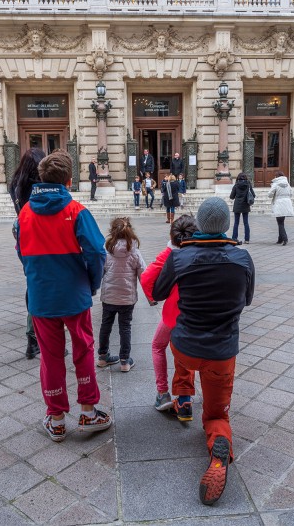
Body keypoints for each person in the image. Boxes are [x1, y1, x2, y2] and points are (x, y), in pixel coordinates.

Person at [153, 197, 255, 506]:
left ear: (199, 223)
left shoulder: (180, 257)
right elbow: (247, 299)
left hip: (185, 346)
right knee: (215, 413)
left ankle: (182, 396)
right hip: (221, 352)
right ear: (226, 225)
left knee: (181, 351)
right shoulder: (243, 258)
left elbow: (157, 292)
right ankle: (219, 443)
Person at [16, 150, 112, 442]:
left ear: (41, 179)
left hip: (42, 297)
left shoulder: (25, 213)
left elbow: (22, 254)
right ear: (69, 181)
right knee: (83, 350)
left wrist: (37, 280)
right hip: (74, 295)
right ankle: (87, 411)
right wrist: (92, 282)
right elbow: (97, 252)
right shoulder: (76, 211)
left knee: (50, 356)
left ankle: (56, 418)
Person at [141, 215, 197, 411]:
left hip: (173, 314)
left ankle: (162, 392)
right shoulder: (200, 253)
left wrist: (153, 297)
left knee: (158, 345)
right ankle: (184, 399)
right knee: (185, 351)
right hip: (195, 313)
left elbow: (147, 277)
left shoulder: (169, 254)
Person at [10, 147, 46, 359]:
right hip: (39, 237)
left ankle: (35, 334)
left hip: (22, 237)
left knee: (32, 281)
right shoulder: (38, 186)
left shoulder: (15, 183)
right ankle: (34, 337)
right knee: (41, 286)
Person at [97, 217, 146, 373]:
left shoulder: (106, 250)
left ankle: (103, 357)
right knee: (125, 328)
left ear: (112, 232)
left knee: (106, 326)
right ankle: (125, 360)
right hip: (127, 298)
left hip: (109, 296)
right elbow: (144, 274)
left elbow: (100, 271)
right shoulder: (134, 252)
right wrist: (151, 296)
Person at [268, 170, 294, 245]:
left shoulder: (275, 184)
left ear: (277, 177)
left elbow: (270, 195)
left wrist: (271, 187)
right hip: (286, 203)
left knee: (280, 223)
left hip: (278, 203)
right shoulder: (287, 183)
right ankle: (280, 239)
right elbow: (291, 193)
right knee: (281, 222)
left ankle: (285, 238)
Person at [229, 172, 255, 245]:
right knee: (246, 223)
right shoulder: (248, 185)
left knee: (236, 223)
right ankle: (247, 239)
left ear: (238, 178)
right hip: (245, 205)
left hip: (237, 205)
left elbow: (231, 196)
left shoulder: (236, 185)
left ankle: (234, 238)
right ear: (246, 178)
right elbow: (253, 195)